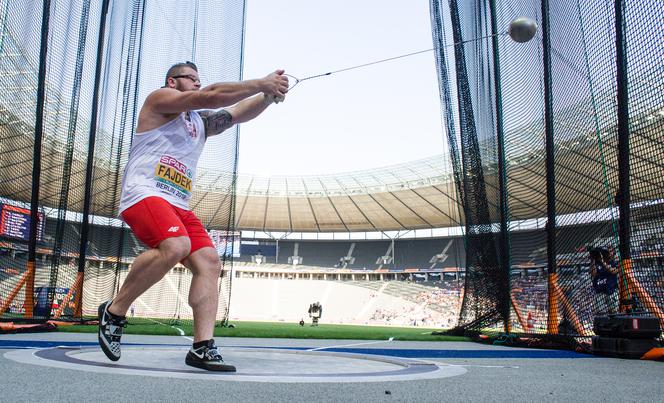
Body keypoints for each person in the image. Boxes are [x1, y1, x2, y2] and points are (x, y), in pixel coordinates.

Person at [97, 61, 288, 371]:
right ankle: (115, 311)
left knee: (210, 263)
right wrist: (261, 83)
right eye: (192, 79)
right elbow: (211, 96)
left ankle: (201, 347)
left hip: (178, 204)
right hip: (145, 193)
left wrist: (268, 96)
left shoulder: (198, 123)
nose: (198, 84)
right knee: (175, 246)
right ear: (173, 81)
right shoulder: (160, 100)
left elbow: (237, 114)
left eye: (200, 79)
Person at [589, 247, 620, 314]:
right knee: (600, 313)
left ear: (613, 253)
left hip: (611, 290)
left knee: (613, 312)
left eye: (610, 251)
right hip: (599, 290)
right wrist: (593, 260)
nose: (608, 253)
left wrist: (603, 262)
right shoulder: (597, 263)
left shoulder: (614, 263)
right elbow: (593, 274)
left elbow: (613, 271)